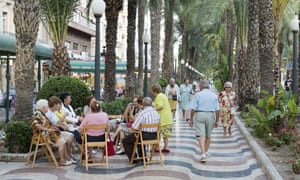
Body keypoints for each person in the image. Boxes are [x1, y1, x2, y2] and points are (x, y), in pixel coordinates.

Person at [32, 99, 76, 166]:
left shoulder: (42, 114)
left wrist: (54, 128)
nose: (48, 107)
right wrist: (47, 129)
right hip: (44, 136)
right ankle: (62, 160)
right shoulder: (37, 114)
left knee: (67, 137)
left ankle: (67, 157)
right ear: (43, 107)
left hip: (49, 133)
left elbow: (50, 124)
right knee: (61, 141)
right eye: (47, 106)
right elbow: (36, 125)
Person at [190, 80, 220, 162]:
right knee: (208, 136)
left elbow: (193, 109)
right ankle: (205, 152)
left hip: (200, 115)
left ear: (201, 87)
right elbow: (218, 110)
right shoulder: (214, 96)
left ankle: (203, 153)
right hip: (210, 115)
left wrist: (191, 119)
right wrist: (217, 121)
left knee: (201, 136)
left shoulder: (197, 95)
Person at [122, 97, 160, 162]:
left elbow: (134, 127)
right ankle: (143, 158)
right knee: (138, 138)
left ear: (143, 104)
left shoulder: (143, 113)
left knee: (126, 140)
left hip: (144, 136)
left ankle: (133, 159)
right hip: (155, 136)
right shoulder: (156, 113)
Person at [152, 84, 173, 153]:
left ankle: (157, 147)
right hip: (168, 118)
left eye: (152, 91)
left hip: (163, 118)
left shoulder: (159, 96)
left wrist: (152, 109)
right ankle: (166, 147)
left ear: (155, 91)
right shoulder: (163, 95)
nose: (152, 93)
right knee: (165, 134)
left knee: (158, 133)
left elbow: (160, 106)